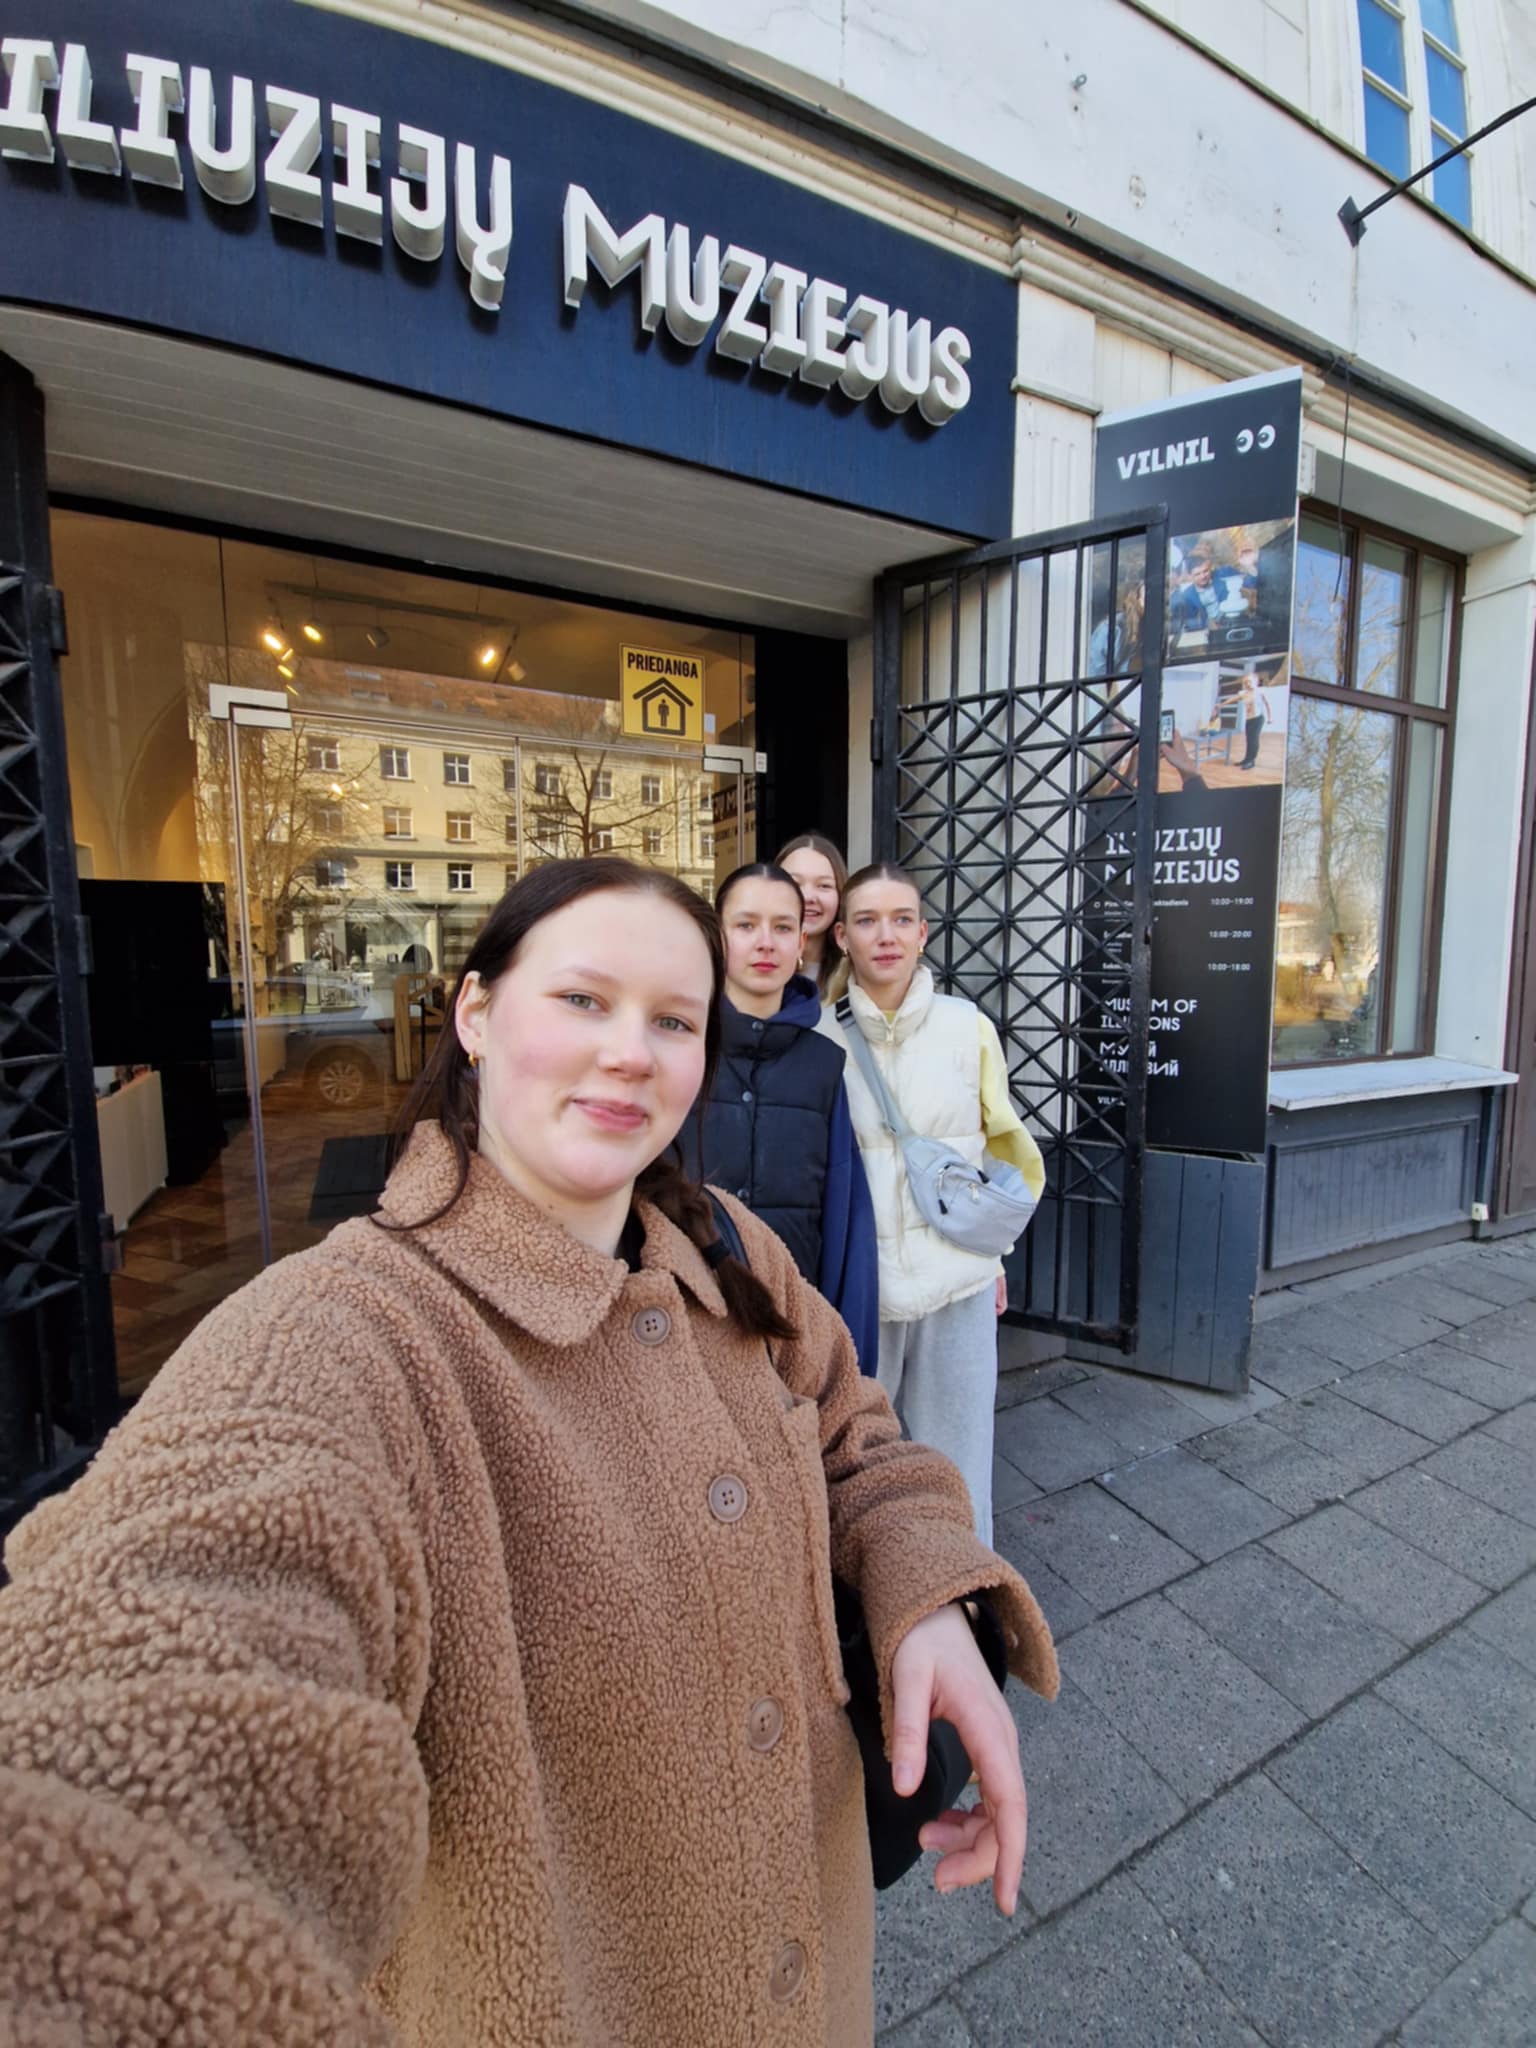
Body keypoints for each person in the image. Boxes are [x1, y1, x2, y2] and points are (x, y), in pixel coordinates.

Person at [0, 856, 1057, 2048]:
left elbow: (854, 1426)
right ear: (475, 1012)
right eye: (583, 998)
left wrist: (921, 1588)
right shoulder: (344, 1335)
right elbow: (152, 1694)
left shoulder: (729, 1245)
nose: (631, 1051)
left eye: (674, 1020)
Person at [822, 864, 1046, 1545]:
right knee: (860, 1471)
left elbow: (1004, 1150)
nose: (885, 936)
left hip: (958, 1286)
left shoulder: (967, 1028)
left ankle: (968, 1590)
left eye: (901, 920)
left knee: (960, 1469)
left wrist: (996, 1255)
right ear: (842, 936)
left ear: (923, 933)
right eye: (867, 920)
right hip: (864, 1293)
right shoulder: (820, 1038)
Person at [683, 861, 878, 1373]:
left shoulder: (824, 1064)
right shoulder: (679, 1049)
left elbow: (845, 1217)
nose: (765, 943)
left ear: (801, 945)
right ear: (718, 938)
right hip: (684, 1321)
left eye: (783, 927)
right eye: (746, 925)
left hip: (792, 1325)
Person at [776, 831, 849, 998]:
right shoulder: (747, 969)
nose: (808, 897)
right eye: (795, 883)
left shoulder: (858, 977)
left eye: (824, 886)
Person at [1235, 669, 1273, 770]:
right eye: (1245, 682)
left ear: (1256, 681)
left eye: (1249, 681)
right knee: (1248, 740)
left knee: (1253, 740)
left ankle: (1251, 761)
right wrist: (1222, 704)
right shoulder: (1244, 693)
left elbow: (1267, 704)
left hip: (1258, 719)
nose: (1247, 684)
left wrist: (1270, 718)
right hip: (1249, 719)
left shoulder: (1260, 691)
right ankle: (1246, 759)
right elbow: (1233, 699)